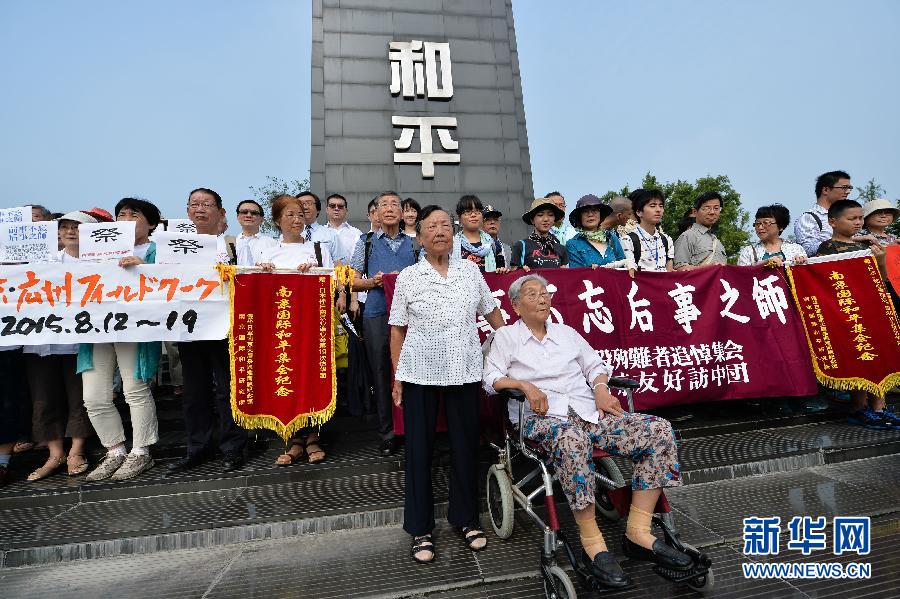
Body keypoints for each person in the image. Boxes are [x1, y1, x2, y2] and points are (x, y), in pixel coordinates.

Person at [483, 274, 688, 588]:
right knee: (572, 439)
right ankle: (592, 542)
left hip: (589, 413)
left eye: (544, 293)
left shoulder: (566, 333)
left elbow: (595, 365)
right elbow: (490, 380)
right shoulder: (506, 337)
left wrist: (602, 388)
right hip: (543, 420)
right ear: (515, 305)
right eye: (532, 294)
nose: (541, 298)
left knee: (659, 431)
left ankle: (638, 531)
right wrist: (524, 385)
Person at [389, 205, 505, 564]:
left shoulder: (471, 273)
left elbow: (492, 313)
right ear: (420, 236)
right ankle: (421, 528)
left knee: (465, 447)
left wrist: (516, 342)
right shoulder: (409, 277)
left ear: (452, 234)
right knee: (419, 451)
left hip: (465, 372)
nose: (439, 231)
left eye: (444, 225)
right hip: (419, 373)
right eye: (431, 226)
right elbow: (397, 330)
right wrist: (396, 377)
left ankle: (466, 519)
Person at [81, 198, 163, 481]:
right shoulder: (96, 250)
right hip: (97, 329)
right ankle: (115, 450)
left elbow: (171, 283)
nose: (126, 218)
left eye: (134, 214)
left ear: (151, 223)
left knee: (134, 389)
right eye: (121, 214)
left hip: (135, 329)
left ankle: (141, 451)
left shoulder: (157, 250)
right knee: (93, 395)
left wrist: (145, 268)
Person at [167, 188, 248, 474]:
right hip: (189, 328)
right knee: (194, 392)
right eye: (194, 204)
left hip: (225, 328)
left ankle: (233, 446)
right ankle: (198, 447)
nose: (200, 209)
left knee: (228, 390)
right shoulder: (172, 247)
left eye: (206, 204)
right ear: (187, 210)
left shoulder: (232, 246)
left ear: (220, 212)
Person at [256, 195, 335, 465]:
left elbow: (331, 284)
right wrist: (263, 273)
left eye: (300, 214)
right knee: (286, 379)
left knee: (310, 378)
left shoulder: (318, 250)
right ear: (277, 220)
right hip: (281, 330)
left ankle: (313, 437)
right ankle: (293, 439)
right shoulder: (267, 252)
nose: (296, 219)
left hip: (311, 328)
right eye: (289, 215)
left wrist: (313, 274)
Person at [23, 210, 97, 481]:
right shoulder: (43, 262)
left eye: (76, 227)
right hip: (41, 341)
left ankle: (77, 450)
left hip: (80, 343)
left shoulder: (100, 263)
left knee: (80, 398)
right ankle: (54, 454)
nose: (69, 231)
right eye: (64, 227)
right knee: (43, 397)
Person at [815, 200, 896, 429]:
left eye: (860, 218)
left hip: (872, 310)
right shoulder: (826, 249)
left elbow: (881, 281)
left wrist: (880, 259)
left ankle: (879, 408)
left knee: (880, 357)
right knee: (861, 359)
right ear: (832, 221)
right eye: (852, 219)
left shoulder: (866, 246)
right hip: (848, 312)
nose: (858, 223)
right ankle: (859, 408)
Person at [350, 191, 419, 456]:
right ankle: (387, 432)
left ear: (403, 213)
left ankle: (412, 427)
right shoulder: (365, 242)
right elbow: (353, 281)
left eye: (394, 205)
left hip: (411, 317)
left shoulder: (414, 244)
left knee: (411, 371)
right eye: (383, 205)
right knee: (380, 372)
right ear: (375, 213)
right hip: (377, 313)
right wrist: (372, 282)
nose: (389, 209)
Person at [794, 170, 852, 256]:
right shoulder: (809, 218)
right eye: (844, 187)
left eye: (849, 188)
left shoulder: (848, 215)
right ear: (825, 190)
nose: (848, 192)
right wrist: (845, 240)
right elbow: (806, 250)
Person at [620, 189, 675, 272]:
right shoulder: (627, 240)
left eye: (661, 206)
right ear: (639, 212)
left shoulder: (667, 240)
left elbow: (669, 272)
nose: (658, 210)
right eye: (652, 206)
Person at [566, 194, 626, 268]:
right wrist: (591, 270)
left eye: (594, 210)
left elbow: (623, 267)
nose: (590, 214)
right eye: (585, 211)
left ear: (600, 214)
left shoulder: (612, 238)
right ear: (579, 217)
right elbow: (577, 273)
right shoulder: (573, 244)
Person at [738, 204, 807, 267]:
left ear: (781, 226)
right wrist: (765, 262)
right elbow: (742, 275)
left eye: (766, 223)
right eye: (757, 224)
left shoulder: (796, 249)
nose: (760, 227)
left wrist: (801, 262)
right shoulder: (748, 251)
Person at [452, 195, 507, 272]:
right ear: (460, 219)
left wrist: (502, 270)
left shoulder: (494, 245)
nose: (473, 215)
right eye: (468, 212)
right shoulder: (452, 244)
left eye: (477, 211)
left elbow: (501, 271)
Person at [674, 191, 727, 270]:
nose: (712, 212)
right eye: (707, 208)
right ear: (695, 212)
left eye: (716, 208)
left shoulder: (718, 242)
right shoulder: (687, 236)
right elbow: (679, 269)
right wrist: (706, 269)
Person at [513, 198, 568, 270]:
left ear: (554, 219)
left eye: (550, 215)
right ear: (532, 220)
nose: (546, 219)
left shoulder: (561, 248)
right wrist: (520, 270)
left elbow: (565, 275)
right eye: (540, 215)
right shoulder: (521, 245)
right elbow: (513, 274)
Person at [296, 192, 345, 264]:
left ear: (318, 209)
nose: (305, 207)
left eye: (309, 203)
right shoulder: (289, 235)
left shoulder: (331, 234)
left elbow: (338, 264)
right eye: (301, 204)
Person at [234, 199, 276, 264]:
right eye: (244, 212)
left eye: (254, 213)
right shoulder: (230, 244)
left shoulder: (272, 244)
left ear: (262, 219)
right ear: (238, 217)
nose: (248, 215)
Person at [325, 193, 364, 262]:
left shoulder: (356, 233)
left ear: (346, 211)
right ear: (327, 210)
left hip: (350, 272)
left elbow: (360, 260)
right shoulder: (320, 233)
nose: (336, 208)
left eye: (340, 206)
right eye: (332, 206)